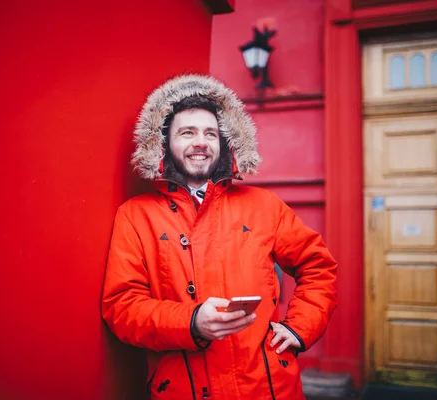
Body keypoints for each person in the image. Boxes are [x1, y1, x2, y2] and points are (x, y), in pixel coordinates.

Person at [101, 75, 337, 400]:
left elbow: (319, 268)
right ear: (163, 142)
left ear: (224, 142)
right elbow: (122, 307)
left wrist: (300, 327)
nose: (201, 142)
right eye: (187, 133)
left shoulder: (263, 205)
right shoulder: (135, 215)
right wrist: (191, 322)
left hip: (269, 389)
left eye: (210, 133)